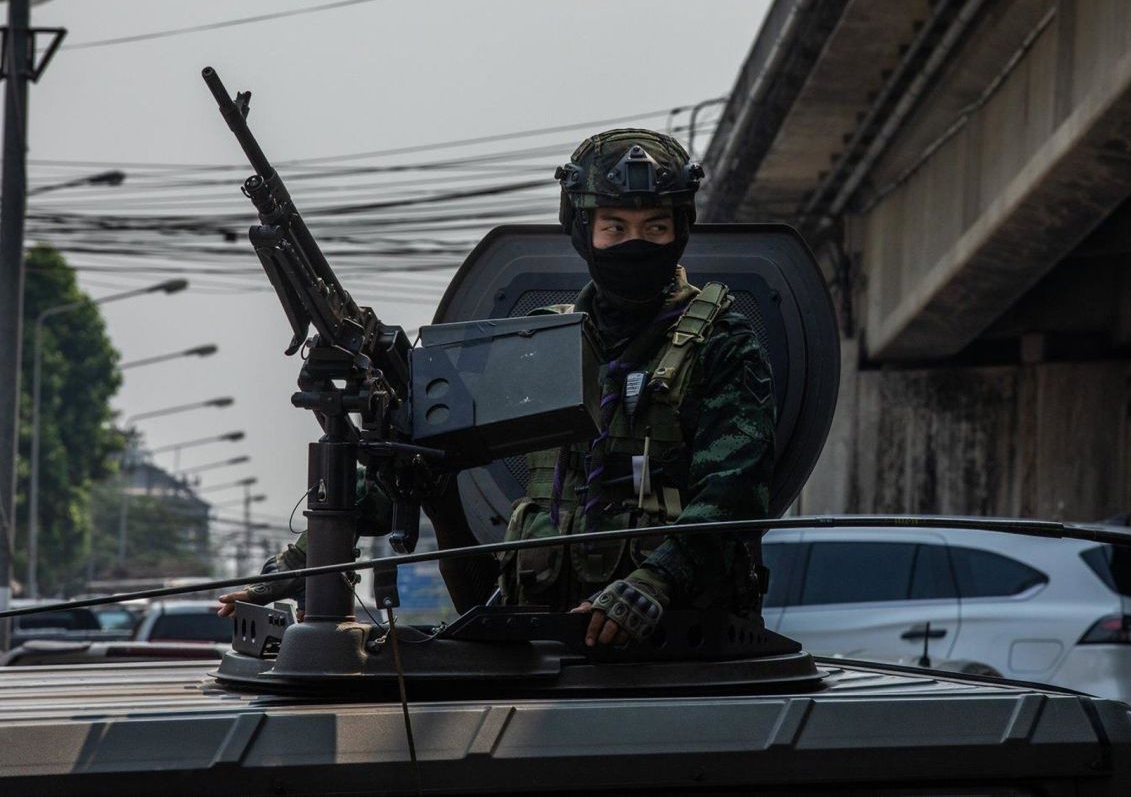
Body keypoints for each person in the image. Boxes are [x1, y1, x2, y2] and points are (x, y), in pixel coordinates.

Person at [219, 129, 776, 649]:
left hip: (683, 641)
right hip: (541, 640)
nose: (635, 243)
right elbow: (422, 460)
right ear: (584, 232)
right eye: (614, 227)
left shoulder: (723, 342)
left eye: (655, 228)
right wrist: (300, 565)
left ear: (680, 230)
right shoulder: (543, 343)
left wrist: (655, 581)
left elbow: (734, 492)